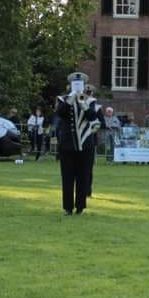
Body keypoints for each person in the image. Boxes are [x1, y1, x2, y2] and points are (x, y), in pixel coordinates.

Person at [55, 73, 101, 215]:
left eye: (79, 84)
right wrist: (71, 98)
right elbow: (60, 113)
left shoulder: (90, 100)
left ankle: (80, 207)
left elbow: (92, 116)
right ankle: (67, 207)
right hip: (67, 144)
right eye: (75, 84)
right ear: (70, 85)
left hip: (85, 144)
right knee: (67, 177)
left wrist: (82, 101)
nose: (77, 86)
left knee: (83, 176)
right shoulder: (62, 99)